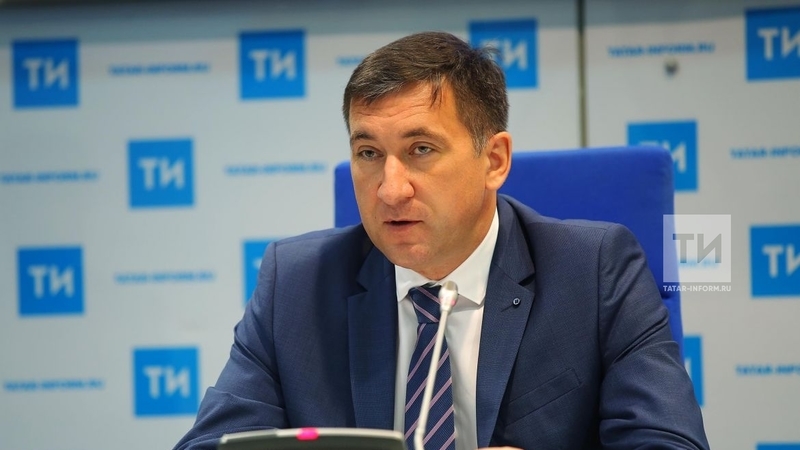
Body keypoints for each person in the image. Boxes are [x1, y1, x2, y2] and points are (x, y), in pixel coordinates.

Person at [174, 32, 709, 450]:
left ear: (494, 160)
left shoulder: (593, 272)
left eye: (421, 150)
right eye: (368, 153)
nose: (390, 189)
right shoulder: (294, 286)